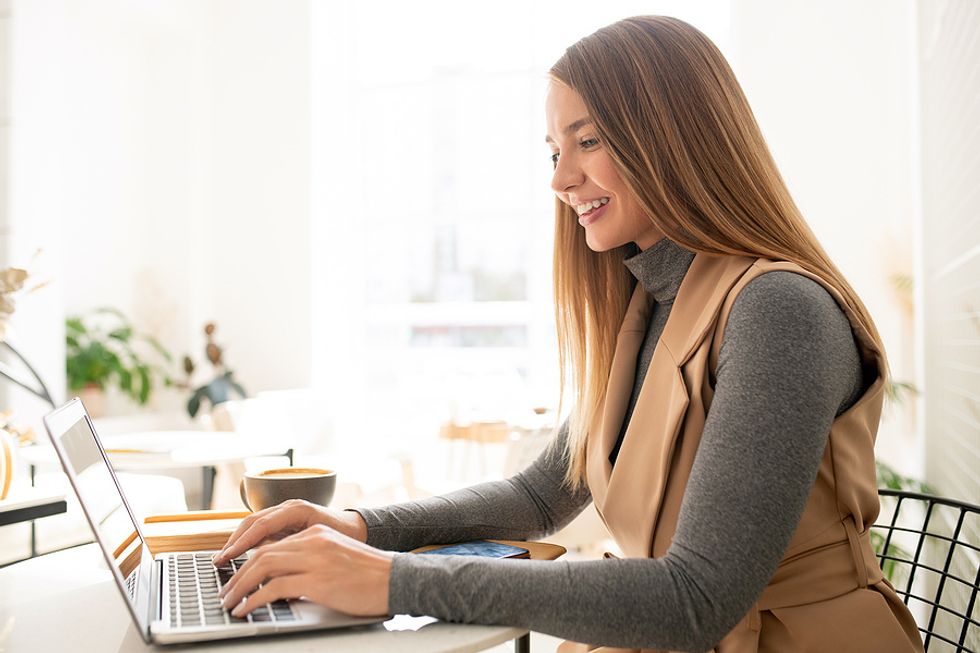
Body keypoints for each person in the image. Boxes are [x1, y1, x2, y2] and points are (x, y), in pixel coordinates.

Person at [213, 16, 924, 653]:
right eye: (553, 149)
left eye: (587, 140)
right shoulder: (644, 306)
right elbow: (540, 496)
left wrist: (395, 580)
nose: (561, 178)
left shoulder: (778, 310)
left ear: (675, 136)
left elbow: (695, 598)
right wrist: (360, 528)